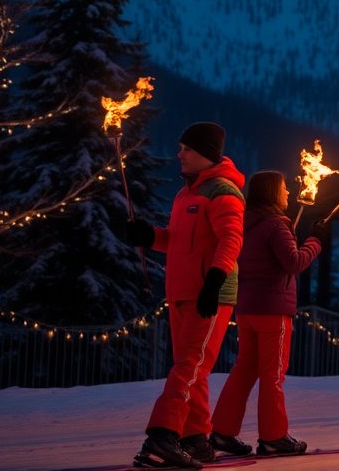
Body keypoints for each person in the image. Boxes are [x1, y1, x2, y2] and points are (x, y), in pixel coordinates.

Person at [123, 122, 245, 469]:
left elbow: (231, 239)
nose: (180, 154)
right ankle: (195, 438)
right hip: (180, 292)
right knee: (193, 368)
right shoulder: (185, 194)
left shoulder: (223, 191)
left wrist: (215, 281)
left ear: (205, 153)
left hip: (210, 293)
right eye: (180, 148)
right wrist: (149, 236)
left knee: (189, 366)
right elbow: (177, 241)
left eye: (186, 149)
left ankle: (163, 435)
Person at [209, 171, 325, 457]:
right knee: (273, 375)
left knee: (245, 370)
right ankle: (274, 437)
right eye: (284, 188)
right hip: (273, 311)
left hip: (247, 309)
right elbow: (294, 262)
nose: (287, 192)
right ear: (272, 192)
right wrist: (315, 241)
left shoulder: (245, 223)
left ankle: (222, 431)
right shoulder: (276, 225)